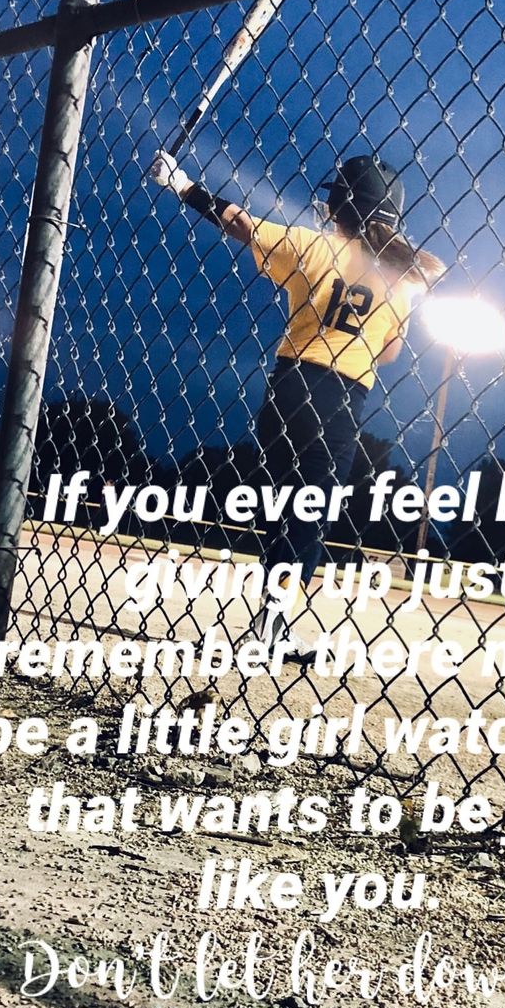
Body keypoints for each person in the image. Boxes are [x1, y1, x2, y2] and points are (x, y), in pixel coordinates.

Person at [149, 148, 444, 660]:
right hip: (342, 397)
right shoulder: (405, 277)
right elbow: (390, 352)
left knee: (285, 503)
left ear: (342, 206)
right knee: (309, 513)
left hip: (288, 384)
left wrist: (182, 184)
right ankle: (273, 624)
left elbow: (241, 224)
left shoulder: (312, 245)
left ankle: (268, 620)